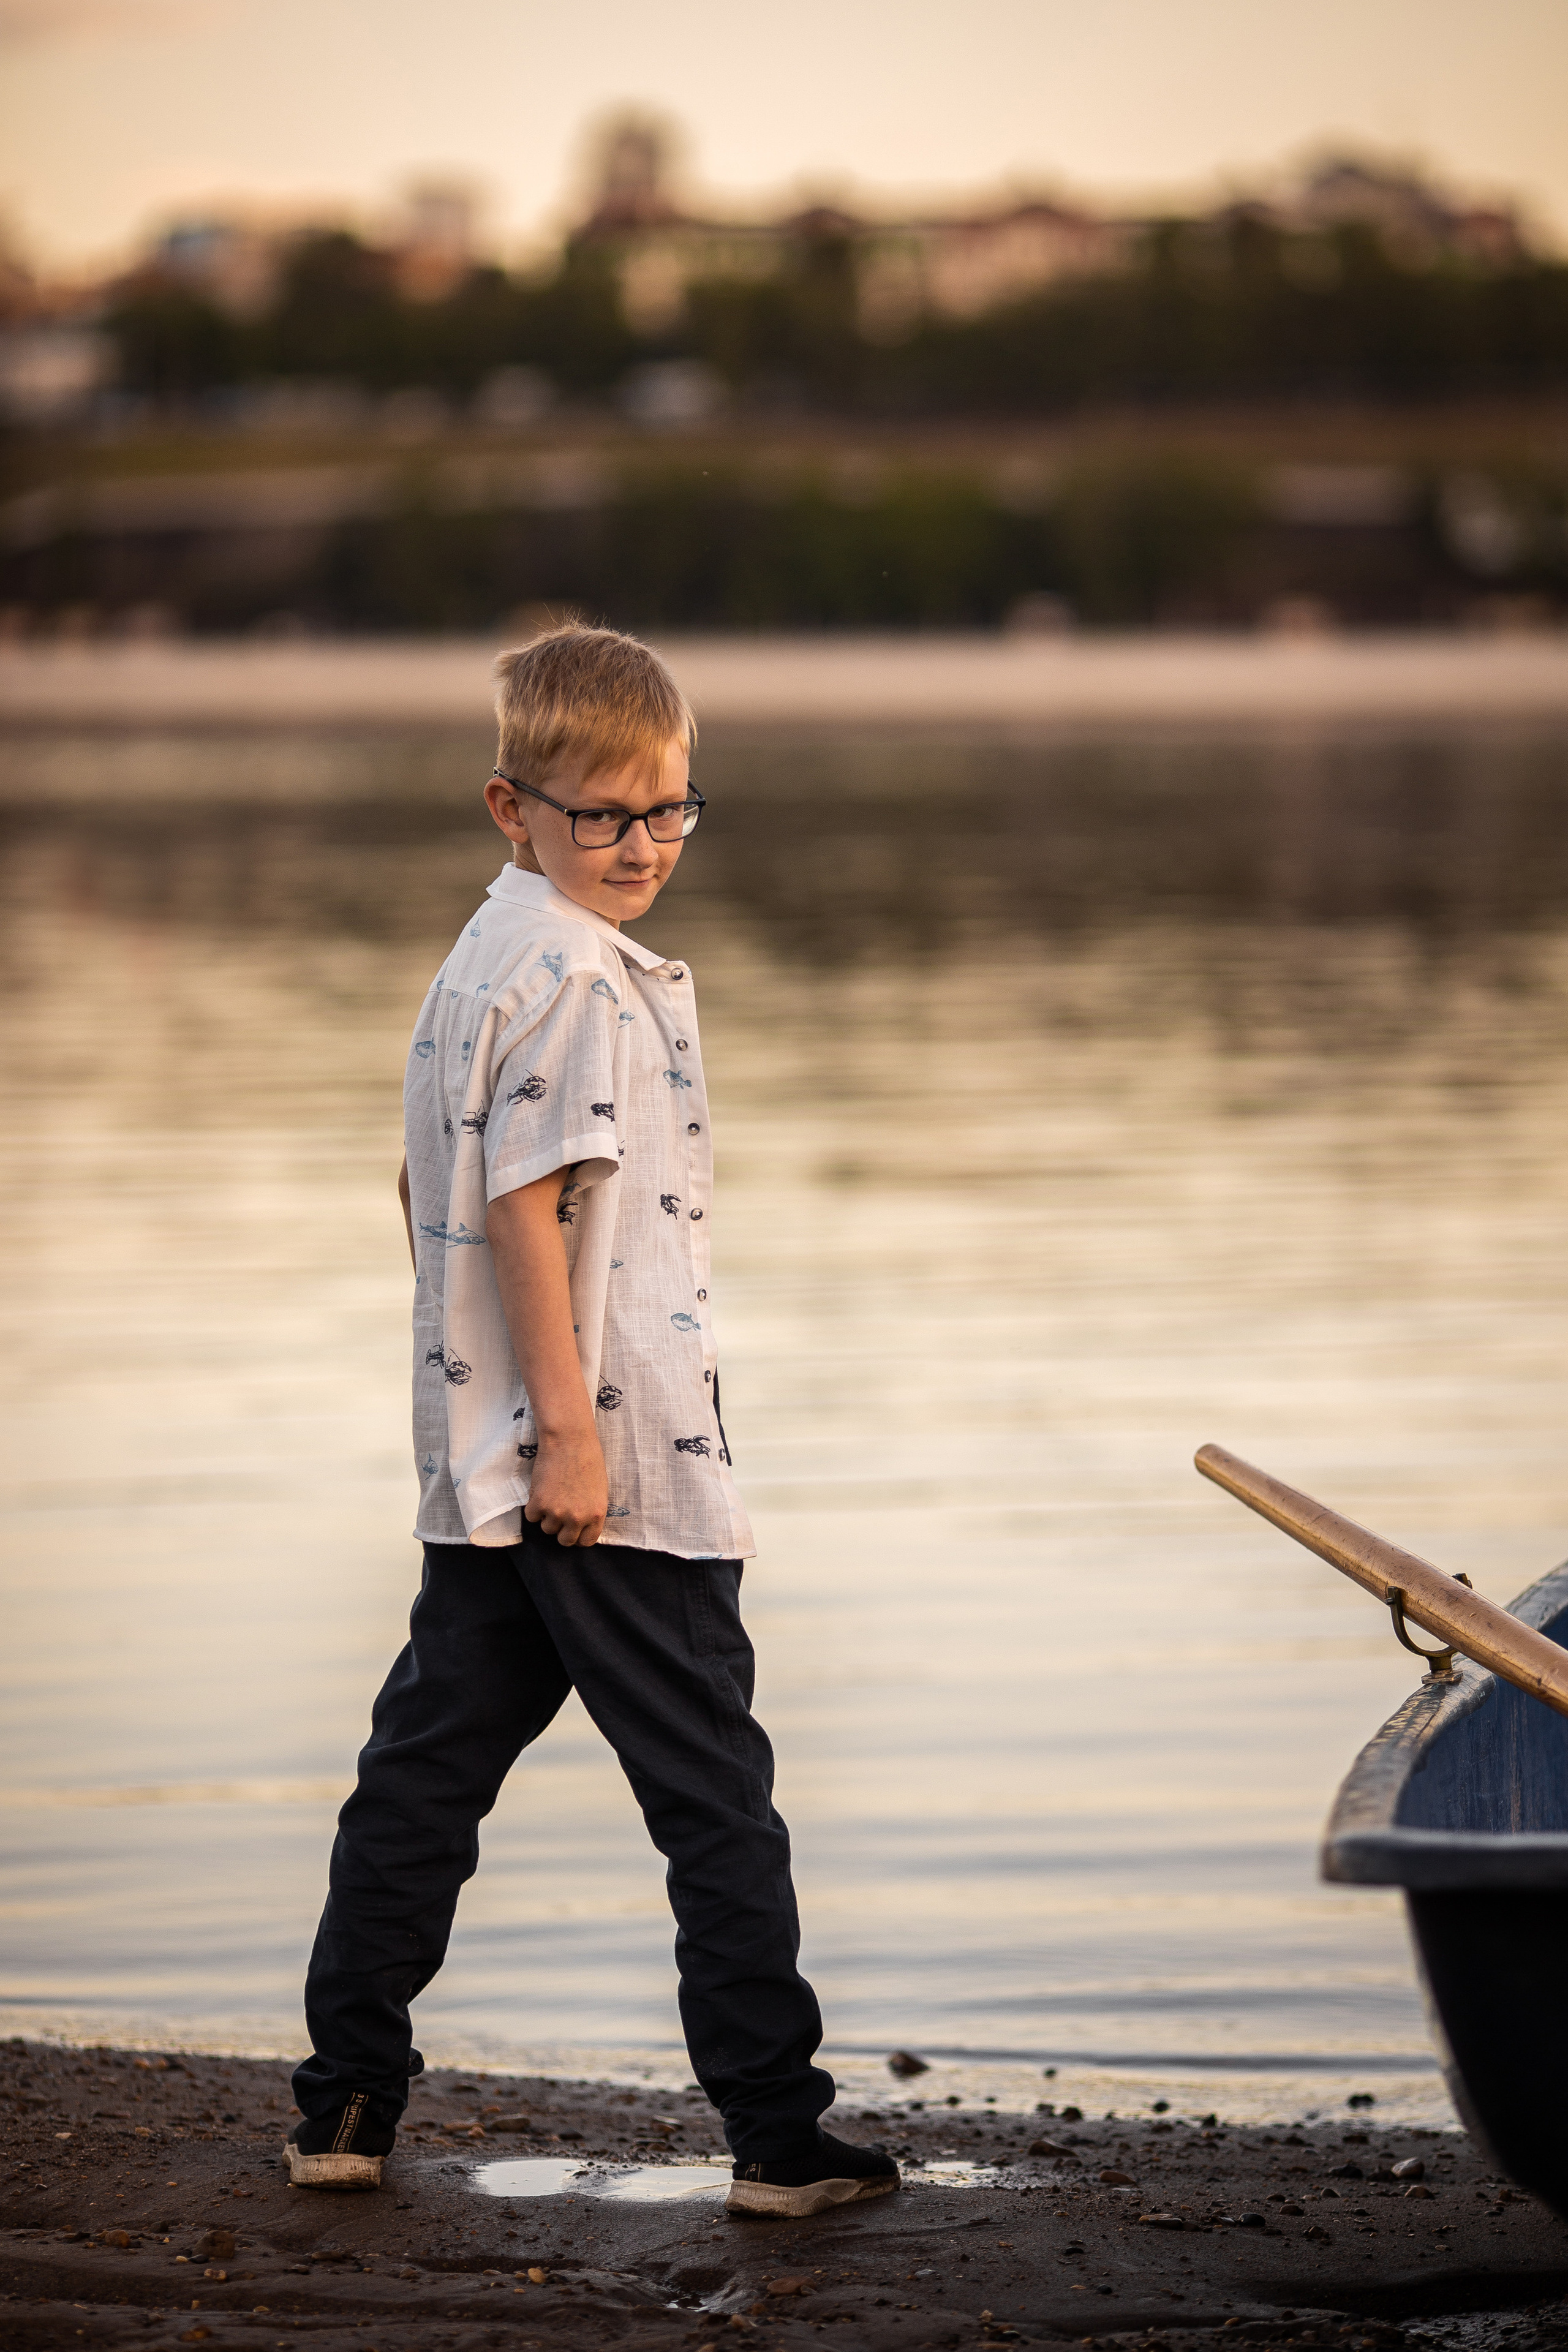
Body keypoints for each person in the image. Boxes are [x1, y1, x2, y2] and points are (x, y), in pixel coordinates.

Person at [285, 623, 898, 2220]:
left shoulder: (480, 961)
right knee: (718, 1802)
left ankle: (342, 2109)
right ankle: (779, 2140)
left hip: (482, 1455)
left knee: (419, 1786)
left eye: (670, 812)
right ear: (514, 807)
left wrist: (492, 1386)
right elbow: (523, 1200)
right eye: (602, 817)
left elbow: (423, 1182)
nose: (640, 848)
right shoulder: (574, 977)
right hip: (612, 1464)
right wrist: (572, 1429)